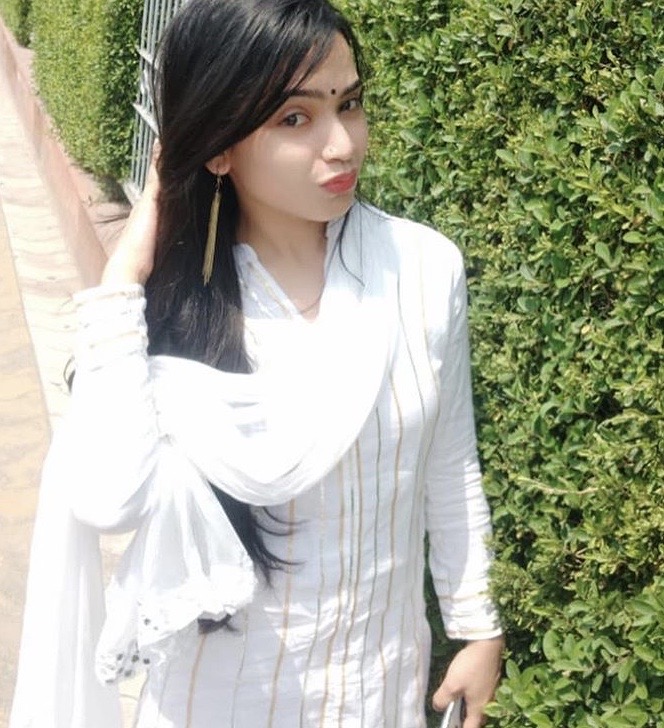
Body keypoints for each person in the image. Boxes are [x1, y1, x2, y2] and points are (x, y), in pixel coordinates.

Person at [10, 0, 504, 726]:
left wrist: (477, 626)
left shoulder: (423, 269)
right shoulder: (169, 314)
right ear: (218, 146)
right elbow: (111, 499)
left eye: (350, 104)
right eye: (295, 119)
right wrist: (125, 276)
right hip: (220, 700)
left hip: (380, 690)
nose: (342, 144)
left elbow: (450, 464)